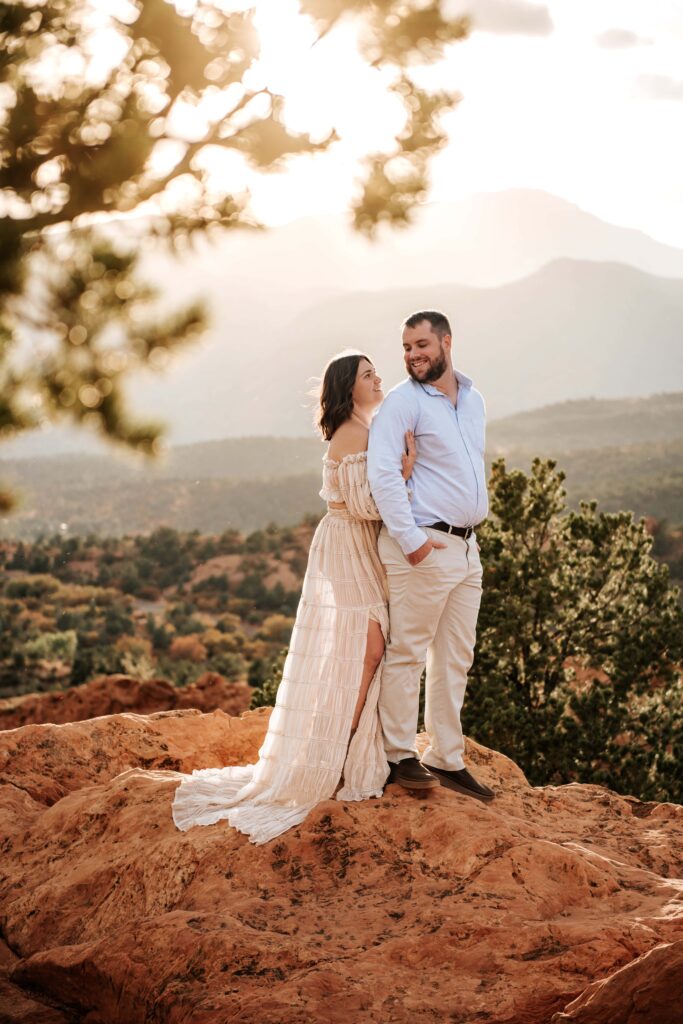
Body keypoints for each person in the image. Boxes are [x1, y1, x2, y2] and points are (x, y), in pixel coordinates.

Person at [171, 351, 415, 844]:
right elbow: (367, 505)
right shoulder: (353, 433)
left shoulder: (363, 430)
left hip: (356, 548)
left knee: (361, 649)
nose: (378, 378)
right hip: (349, 548)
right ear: (349, 388)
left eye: (375, 372)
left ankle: (348, 748)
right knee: (365, 649)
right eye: (368, 374)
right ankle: (340, 754)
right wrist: (406, 469)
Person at [367, 310, 495, 801]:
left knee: (455, 658)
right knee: (408, 652)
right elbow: (383, 474)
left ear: (446, 341)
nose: (413, 355)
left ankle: (446, 756)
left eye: (421, 344)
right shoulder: (402, 403)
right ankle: (399, 755)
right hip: (423, 544)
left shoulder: (474, 400)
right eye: (405, 347)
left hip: (465, 549)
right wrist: (412, 540)